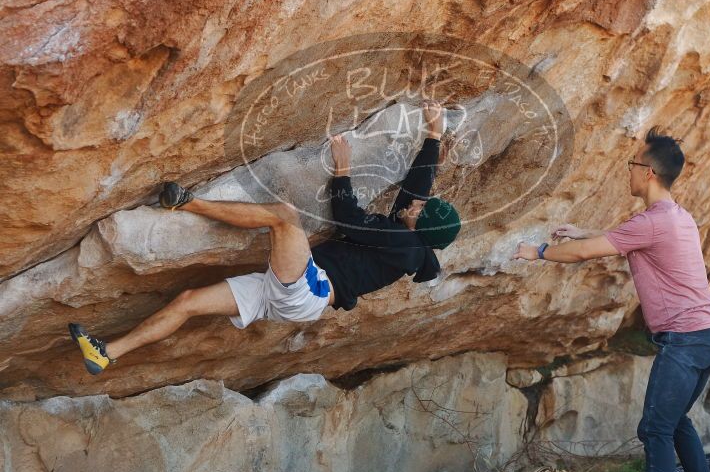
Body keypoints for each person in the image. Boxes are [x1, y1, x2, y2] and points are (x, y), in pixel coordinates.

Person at [69, 101, 461, 375]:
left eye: (420, 211)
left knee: (286, 219)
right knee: (187, 302)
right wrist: (433, 134)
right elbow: (416, 189)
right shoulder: (408, 237)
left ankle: (187, 204)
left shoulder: (407, 246)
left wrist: (342, 171)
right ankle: (106, 354)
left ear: (421, 228)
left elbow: (348, 220)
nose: (415, 206)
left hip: (309, 289)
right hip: (285, 295)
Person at [513, 127, 710, 472]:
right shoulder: (677, 217)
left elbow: (583, 254)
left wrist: (538, 251)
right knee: (674, 420)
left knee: (655, 428)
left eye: (632, 163)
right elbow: (628, 239)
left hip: (686, 338)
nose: (626, 170)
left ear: (648, 172)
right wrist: (583, 231)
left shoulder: (652, 222)